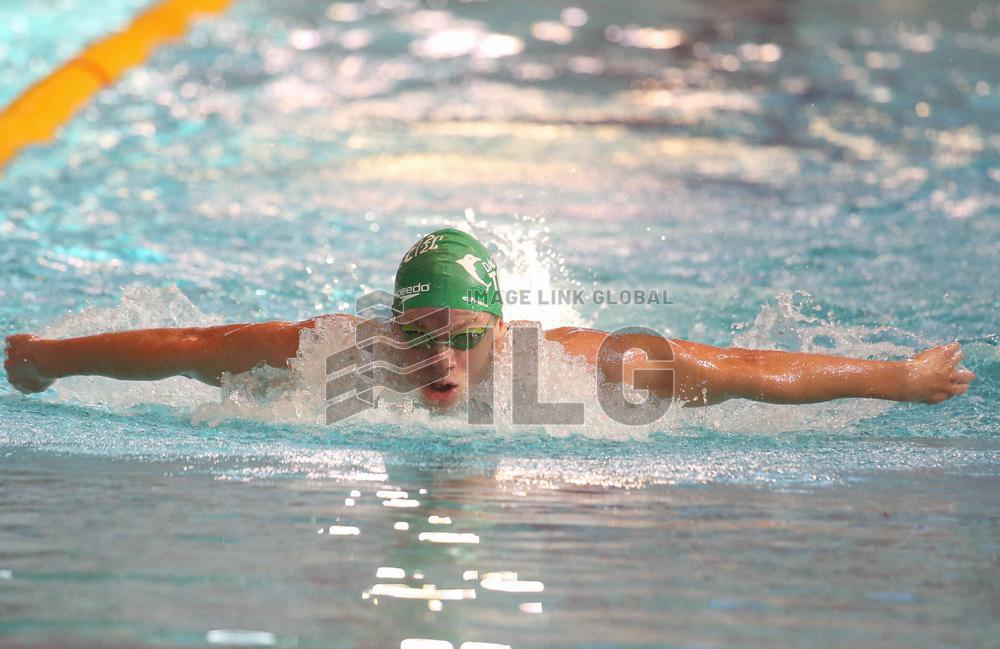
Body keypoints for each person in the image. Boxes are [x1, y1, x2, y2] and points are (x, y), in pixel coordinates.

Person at [3, 228, 974, 414]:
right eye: (415, 332)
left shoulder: (568, 368)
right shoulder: (334, 353)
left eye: (461, 335)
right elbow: (191, 351)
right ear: (389, 328)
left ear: (497, 335)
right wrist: (47, 359)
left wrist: (894, 378)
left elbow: (738, 366)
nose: (437, 353)